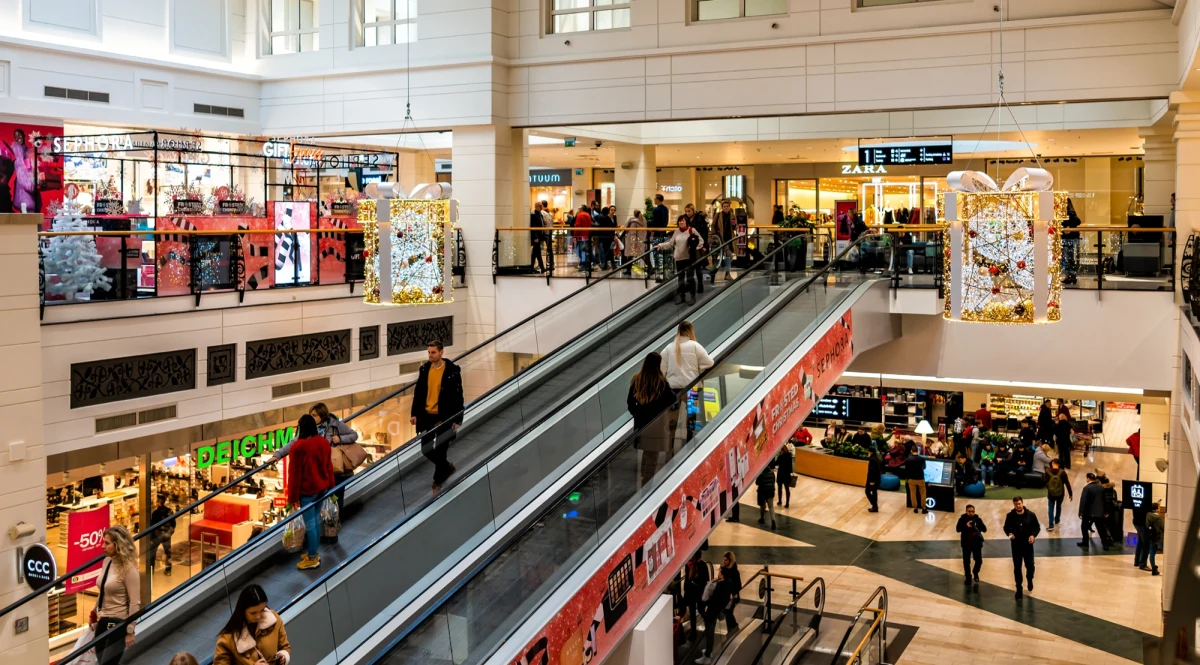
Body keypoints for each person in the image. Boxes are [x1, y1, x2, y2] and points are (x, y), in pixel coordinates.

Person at [410, 340, 465, 493]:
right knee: (426, 449)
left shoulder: (452, 371)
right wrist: (414, 413)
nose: (430, 355)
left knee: (441, 450)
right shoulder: (424, 369)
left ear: (441, 352)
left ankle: (437, 483)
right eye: (429, 352)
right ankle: (447, 467)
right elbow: (418, 394)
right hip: (427, 415)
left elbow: (458, 396)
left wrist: (458, 419)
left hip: (445, 416)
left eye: (433, 352)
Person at [286, 414, 334, 570]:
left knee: (311, 525)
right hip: (322, 488)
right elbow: (329, 467)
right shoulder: (323, 442)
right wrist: (332, 488)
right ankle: (314, 552)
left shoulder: (298, 448)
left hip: (307, 492)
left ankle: (312, 558)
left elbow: (294, 475)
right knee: (316, 521)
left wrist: (292, 498)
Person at [627, 352, 678, 486]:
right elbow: (672, 399)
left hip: (642, 423)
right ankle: (647, 483)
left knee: (646, 449)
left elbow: (630, 403)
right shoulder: (661, 382)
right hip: (657, 422)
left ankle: (644, 475)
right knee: (653, 454)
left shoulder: (636, 379)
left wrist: (637, 414)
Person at [92, 526, 139, 665]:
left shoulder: (129, 569)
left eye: (107, 543)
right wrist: (94, 611)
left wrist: (130, 631)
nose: (103, 546)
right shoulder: (107, 562)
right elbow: (103, 590)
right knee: (101, 662)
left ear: (118, 545)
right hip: (103, 621)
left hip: (117, 623)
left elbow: (135, 602)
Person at [213, 584, 291, 665]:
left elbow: (285, 646)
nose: (258, 616)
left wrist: (283, 657)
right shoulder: (228, 637)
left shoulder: (273, 620)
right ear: (242, 610)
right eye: (253, 613)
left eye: (262, 610)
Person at [662, 321, 713, 443]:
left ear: (678, 332)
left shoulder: (669, 348)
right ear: (690, 331)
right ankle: (690, 443)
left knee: (674, 419)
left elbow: (661, 370)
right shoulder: (695, 346)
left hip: (673, 390)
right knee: (692, 417)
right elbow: (709, 363)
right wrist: (697, 371)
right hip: (692, 388)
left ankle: (672, 445)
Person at [696, 552, 741, 665]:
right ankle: (709, 650)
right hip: (718, 607)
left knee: (712, 630)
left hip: (716, 608)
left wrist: (707, 602)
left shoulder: (728, 579)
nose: (723, 562)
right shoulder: (723, 581)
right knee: (714, 626)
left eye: (726, 560)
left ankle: (708, 654)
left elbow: (718, 597)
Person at [656, 215, 703, 305]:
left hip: (689, 258)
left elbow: (701, 241)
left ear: (686, 222)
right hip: (679, 258)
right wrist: (660, 246)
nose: (681, 222)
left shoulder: (691, 230)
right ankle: (682, 296)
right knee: (680, 278)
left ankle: (692, 296)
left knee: (690, 278)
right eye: (680, 221)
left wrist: (694, 248)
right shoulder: (676, 232)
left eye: (683, 221)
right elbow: (670, 243)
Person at [1003, 496, 1041, 599]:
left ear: (1022, 503)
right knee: (1017, 568)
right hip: (1016, 547)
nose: (1018, 506)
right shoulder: (1010, 516)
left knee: (1030, 566)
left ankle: (1029, 579)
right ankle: (1019, 588)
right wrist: (1009, 534)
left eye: (1019, 503)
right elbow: (1006, 528)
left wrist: (1033, 535)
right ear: (1013, 504)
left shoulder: (1031, 515)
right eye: (1016, 504)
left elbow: (1037, 527)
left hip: (1028, 546)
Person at [1078, 472, 1113, 550]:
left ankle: (1085, 542)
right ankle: (1105, 544)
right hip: (1099, 512)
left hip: (1088, 512)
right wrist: (1106, 511)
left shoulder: (1086, 488)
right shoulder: (1101, 487)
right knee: (1101, 529)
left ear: (1088, 479)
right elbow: (1105, 500)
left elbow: (1083, 501)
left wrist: (1081, 512)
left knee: (1084, 527)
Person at [956, 505, 987, 588]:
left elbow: (984, 529)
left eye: (973, 511)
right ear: (966, 511)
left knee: (979, 561)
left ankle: (975, 572)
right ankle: (968, 577)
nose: (971, 513)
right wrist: (966, 525)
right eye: (969, 511)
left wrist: (976, 525)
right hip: (966, 544)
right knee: (966, 562)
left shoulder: (977, 519)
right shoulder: (962, 519)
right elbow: (958, 529)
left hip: (976, 544)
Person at [682, 550, 710, 640]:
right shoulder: (689, 565)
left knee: (701, 610)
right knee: (693, 613)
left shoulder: (702, 565)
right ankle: (693, 632)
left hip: (699, 593)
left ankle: (708, 627)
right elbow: (687, 579)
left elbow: (705, 580)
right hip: (691, 594)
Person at [685, 203, 710, 292]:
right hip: (688, 246)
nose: (687, 213)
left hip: (698, 245)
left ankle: (700, 284)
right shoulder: (685, 219)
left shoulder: (699, 219)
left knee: (698, 266)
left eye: (689, 211)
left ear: (693, 211)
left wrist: (703, 245)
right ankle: (690, 284)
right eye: (686, 211)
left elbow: (704, 233)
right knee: (688, 267)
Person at [149, 494, 175, 577]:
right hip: (166, 535)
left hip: (157, 536)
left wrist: (151, 538)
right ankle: (168, 570)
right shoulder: (169, 511)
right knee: (168, 553)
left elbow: (152, 526)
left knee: (152, 553)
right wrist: (170, 533)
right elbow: (173, 524)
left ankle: (151, 569)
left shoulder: (155, 513)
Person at [710, 200, 736, 282]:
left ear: (729, 207)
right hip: (720, 238)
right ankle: (715, 273)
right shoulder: (718, 215)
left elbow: (735, 227)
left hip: (729, 238)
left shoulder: (732, 215)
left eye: (727, 206)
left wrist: (735, 225)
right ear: (722, 207)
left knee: (729, 255)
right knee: (718, 256)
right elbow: (713, 225)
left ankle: (727, 273)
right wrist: (713, 235)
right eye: (724, 206)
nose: (726, 208)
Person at [1044, 459, 1072, 532]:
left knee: (1051, 508)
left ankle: (1051, 525)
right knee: (1058, 507)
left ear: (1053, 463)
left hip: (1051, 493)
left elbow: (1045, 481)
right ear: (1059, 464)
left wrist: (1049, 487)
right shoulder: (1062, 472)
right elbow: (1067, 484)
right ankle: (1057, 520)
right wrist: (1070, 494)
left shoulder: (1048, 471)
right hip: (1060, 493)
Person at [1062, 198, 1082, 284]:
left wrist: (1068, 227)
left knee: (1068, 257)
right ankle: (1070, 275)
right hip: (1069, 238)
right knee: (1068, 257)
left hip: (1068, 238)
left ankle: (1070, 275)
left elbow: (1077, 221)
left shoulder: (1069, 212)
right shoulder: (1070, 212)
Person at [593, 205, 616, 270]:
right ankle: (608, 264)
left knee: (609, 250)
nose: (612, 211)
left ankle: (608, 264)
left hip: (610, 237)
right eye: (611, 210)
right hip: (606, 237)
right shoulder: (605, 218)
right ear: (608, 211)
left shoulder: (614, 217)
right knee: (607, 250)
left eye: (614, 210)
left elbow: (613, 226)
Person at [904, 450, 927, 514]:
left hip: (911, 478)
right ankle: (924, 508)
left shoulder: (908, 459)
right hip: (920, 478)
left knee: (913, 493)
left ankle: (915, 508)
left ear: (911, 451)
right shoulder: (922, 459)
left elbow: (906, 469)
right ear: (918, 451)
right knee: (923, 493)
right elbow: (924, 467)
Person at [1145, 502, 1164, 575]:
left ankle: (1153, 568)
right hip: (1159, 538)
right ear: (1157, 509)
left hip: (1151, 537)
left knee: (1152, 553)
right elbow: (1163, 528)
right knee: (1165, 552)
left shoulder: (1148, 515)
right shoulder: (1158, 518)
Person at [573, 204, 593, 271]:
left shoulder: (580, 215)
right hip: (587, 235)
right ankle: (585, 264)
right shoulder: (588, 215)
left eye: (579, 209)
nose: (578, 210)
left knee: (581, 251)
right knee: (586, 250)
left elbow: (577, 226)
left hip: (581, 235)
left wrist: (575, 236)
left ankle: (583, 265)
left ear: (581, 209)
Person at [530, 201, 548, 273]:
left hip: (540, 236)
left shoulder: (540, 214)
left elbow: (541, 224)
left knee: (536, 252)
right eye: (539, 206)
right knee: (537, 252)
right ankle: (541, 267)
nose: (541, 207)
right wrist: (535, 237)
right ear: (536, 207)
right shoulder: (533, 215)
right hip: (536, 237)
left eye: (541, 206)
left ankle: (533, 267)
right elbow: (533, 226)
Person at [776, 442, 794, 508]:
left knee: (780, 488)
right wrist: (791, 472)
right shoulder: (789, 455)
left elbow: (775, 463)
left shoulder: (780, 456)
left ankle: (780, 501)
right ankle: (787, 503)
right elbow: (790, 466)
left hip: (781, 474)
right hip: (787, 474)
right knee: (787, 489)